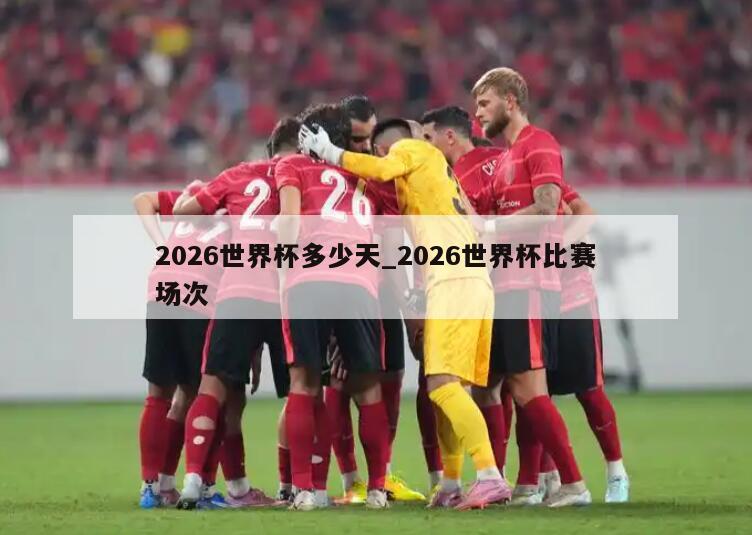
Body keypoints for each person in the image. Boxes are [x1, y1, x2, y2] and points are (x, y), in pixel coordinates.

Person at [298, 117, 512, 510]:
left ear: (386, 149)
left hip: (454, 278)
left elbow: (381, 170)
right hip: (470, 279)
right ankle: (451, 482)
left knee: (441, 385)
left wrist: (330, 153)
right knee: (449, 386)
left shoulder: (410, 150)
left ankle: (489, 475)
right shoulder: (436, 177)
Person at [472, 66, 591, 507]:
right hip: (509, 283)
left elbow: (546, 207)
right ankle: (544, 482)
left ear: (511, 101)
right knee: (522, 389)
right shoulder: (506, 158)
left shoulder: (539, 143)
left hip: (530, 281)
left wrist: (491, 226)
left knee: (526, 386)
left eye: (485, 103)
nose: (478, 113)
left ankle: (573, 484)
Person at [170, 118, 300, 509]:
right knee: (304, 390)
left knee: (215, 388)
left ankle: (194, 483)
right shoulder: (305, 176)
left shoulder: (237, 174)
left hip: (237, 291)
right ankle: (303, 488)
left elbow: (183, 210)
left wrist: (223, 214)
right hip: (285, 295)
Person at [276, 103, 392, 511]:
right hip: (359, 284)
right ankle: (377, 490)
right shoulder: (367, 174)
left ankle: (304, 491)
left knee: (304, 383)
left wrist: (283, 271)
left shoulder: (293, 165)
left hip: (308, 279)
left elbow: (289, 221)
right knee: (368, 388)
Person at [325, 95, 425, 504]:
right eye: (357, 139)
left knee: (390, 377)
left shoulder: (381, 178)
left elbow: (392, 248)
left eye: (369, 138)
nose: (365, 147)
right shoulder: (328, 176)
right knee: (338, 381)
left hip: (381, 291)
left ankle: (381, 472)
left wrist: (406, 305)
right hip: (342, 286)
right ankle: (351, 481)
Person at [420, 105, 515, 478]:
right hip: (509, 283)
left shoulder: (448, 178)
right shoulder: (505, 159)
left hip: (475, 286)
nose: (424, 145)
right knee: (506, 385)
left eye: (428, 137)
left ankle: (495, 476)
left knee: (469, 384)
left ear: (449, 136)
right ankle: (531, 478)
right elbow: (568, 207)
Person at [133, 181, 228, 509]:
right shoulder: (235, 209)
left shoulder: (191, 199)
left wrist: (162, 244)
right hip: (199, 292)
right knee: (204, 392)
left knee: (158, 394)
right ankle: (200, 484)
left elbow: (142, 199)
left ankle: (152, 486)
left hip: (161, 288)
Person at [540, 183, 629, 503]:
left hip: (573, 299)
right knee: (537, 394)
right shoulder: (509, 186)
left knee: (589, 390)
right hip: (536, 301)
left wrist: (558, 243)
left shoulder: (549, 182)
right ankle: (549, 477)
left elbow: (587, 213)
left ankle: (616, 472)